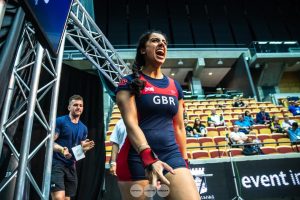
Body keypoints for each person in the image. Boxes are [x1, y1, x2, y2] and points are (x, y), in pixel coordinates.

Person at [115, 31, 199, 200]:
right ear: (143, 50)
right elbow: (131, 124)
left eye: (164, 42)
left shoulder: (175, 86)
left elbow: (179, 127)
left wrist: (184, 160)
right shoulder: (128, 82)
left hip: (171, 155)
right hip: (136, 158)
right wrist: (148, 158)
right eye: (155, 41)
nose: (162, 44)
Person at [51, 95, 95, 200]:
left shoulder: (84, 128)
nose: (78, 107)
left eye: (81, 105)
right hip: (57, 164)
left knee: (67, 198)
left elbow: (78, 154)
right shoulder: (60, 121)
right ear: (69, 107)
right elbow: (49, 143)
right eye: (75, 105)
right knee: (58, 198)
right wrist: (62, 150)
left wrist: (83, 149)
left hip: (71, 166)